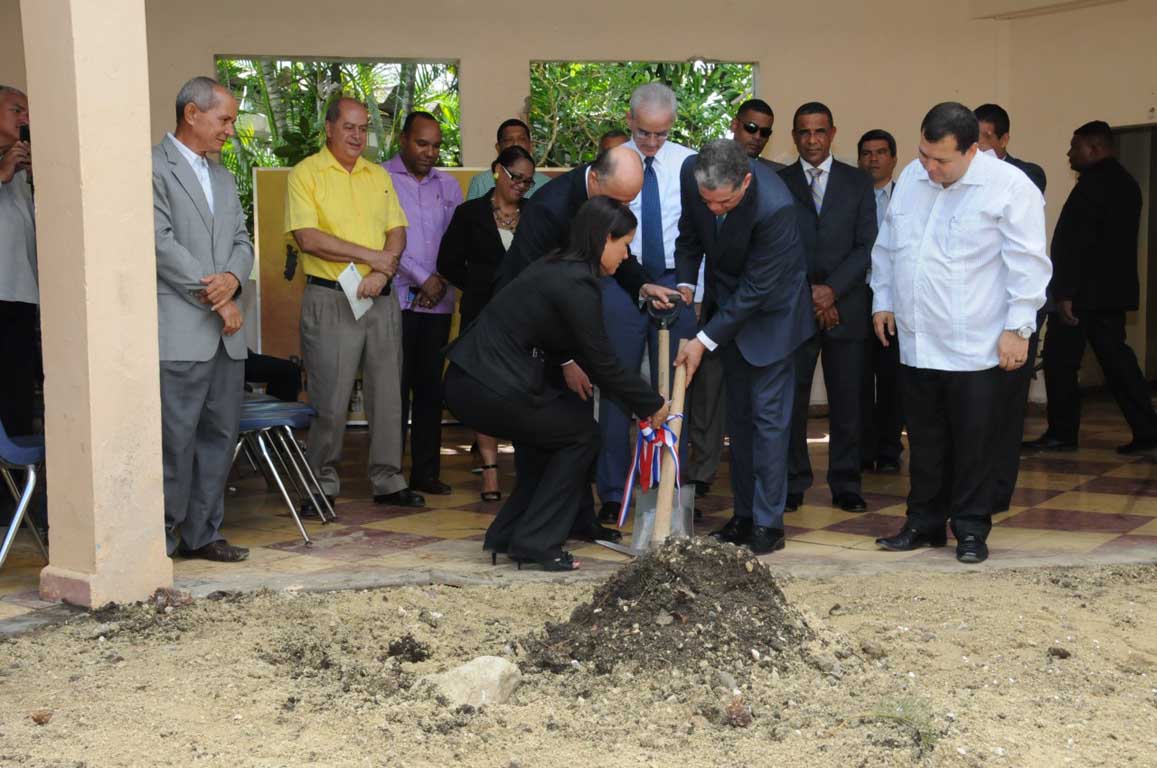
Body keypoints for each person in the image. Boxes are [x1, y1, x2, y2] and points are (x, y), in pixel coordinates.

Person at [443, 197, 667, 571]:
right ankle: (535, 541)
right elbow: (602, 361)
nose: (626, 256)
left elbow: (561, 337)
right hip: (489, 385)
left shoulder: (562, 266)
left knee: (550, 440)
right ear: (603, 239)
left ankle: (509, 532)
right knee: (581, 435)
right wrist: (651, 404)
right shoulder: (577, 282)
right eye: (624, 245)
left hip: (473, 380)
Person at [872, 102, 1049, 564]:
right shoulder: (912, 176)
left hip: (977, 345)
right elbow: (888, 245)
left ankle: (971, 528)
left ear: (974, 149)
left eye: (942, 160)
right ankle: (924, 522)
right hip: (917, 340)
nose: (930, 167)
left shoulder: (1010, 188)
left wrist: (1019, 328)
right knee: (925, 441)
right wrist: (883, 300)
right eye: (924, 154)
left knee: (974, 443)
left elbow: (1028, 264)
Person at [492, 144, 673, 543]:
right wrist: (567, 359)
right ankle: (533, 529)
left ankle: (577, 519)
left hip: (562, 335)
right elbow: (529, 292)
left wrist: (640, 284)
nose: (623, 209)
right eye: (618, 200)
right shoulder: (548, 209)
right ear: (595, 179)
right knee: (545, 438)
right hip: (530, 345)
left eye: (630, 202)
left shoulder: (601, 206)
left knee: (578, 432)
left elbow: (618, 254)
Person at [674, 139, 814, 555]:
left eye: (725, 203)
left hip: (772, 318)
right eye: (708, 201)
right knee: (739, 422)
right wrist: (686, 280)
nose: (715, 210)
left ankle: (769, 525)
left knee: (768, 425)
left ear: (746, 181)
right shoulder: (692, 174)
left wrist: (703, 338)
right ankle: (744, 515)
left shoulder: (776, 207)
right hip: (725, 312)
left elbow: (756, 290)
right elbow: (690, 231)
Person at [285, 96, 424, 510]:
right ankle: (320, 484)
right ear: (328, 128)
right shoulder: (306, 174)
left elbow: (397, 230)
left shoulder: (377, 175)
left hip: (379, 299)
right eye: (349, 127)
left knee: (388, 396)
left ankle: (388, 479)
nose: (357, 135)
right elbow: (309, 238)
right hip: (331, 298)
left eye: (363, 128)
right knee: (330, 398)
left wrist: (382, 273)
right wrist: (372, 258)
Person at [152, 76, 254, 562]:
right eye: (225, 119)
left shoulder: (225, 177)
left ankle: (204, 533)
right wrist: (217, 296)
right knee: (176, 439)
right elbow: (160, 244)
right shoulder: (152, 166)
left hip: (225, 336)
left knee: (218, 437)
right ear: (192, 114)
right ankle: (165, 537)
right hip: (182, 331)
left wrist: (233, 280)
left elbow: (242, 239)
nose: (230, 130)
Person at [594, 83, 697, 523]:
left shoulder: (688, 163)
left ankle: (668, 495)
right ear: (630, 120)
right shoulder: (615, 164)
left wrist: (692, 283)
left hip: (675, 282)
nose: (653, 143)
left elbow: (698, 230)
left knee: (675, 391)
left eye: (661, 134)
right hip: (620, 278)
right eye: (644, 133)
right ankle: (614, 494)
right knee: (618, 387)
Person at [1024, 120, 1157, 455]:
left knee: (1061, 361)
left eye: (1074, 146)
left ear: (1094, 147)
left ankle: (1063, 433)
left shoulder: (1098, 185)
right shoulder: (1121, 182)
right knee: (1116, 362)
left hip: (1084, 296)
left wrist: (1066, 293)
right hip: (1103, 293)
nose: (1069, 154)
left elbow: (1081, 245)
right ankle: (1147, 430)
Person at [779, 103, 877, 513]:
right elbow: (777, 248)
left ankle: (846, 483)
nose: (813, 140)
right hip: (796, 309)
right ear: (795, 136)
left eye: (820, 131)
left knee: (848, 401)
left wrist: (831, 291)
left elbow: (866, 244)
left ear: (833, 133)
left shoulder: (858, 182)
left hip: (847, 307)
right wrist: (811, 294)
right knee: (792, 401)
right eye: (804, 132)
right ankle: (793, 482)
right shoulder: (779, 182)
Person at [437, 144, 536, 501]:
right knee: (483, 389)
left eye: (527, 181)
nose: (521, 186)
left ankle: (527, 468)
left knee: (524, 391)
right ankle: (490, 473)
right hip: (481, 315)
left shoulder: (536, 214)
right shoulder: (469, 214)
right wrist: (478, 285)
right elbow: (447, 262)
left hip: (526, 320)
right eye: (515, 177)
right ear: (497, 170)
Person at [384, 111, 463, 496]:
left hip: (439, 303)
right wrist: (421, 278)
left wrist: (439, 280)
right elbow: (381, 240)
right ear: (403, 139)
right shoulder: (380, 179)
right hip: (396, 299)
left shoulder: (448, 186)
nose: (430, 152)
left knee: (430, 388)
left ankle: (426, 473)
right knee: (394, 388)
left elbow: (457, 241)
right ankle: (391, 474)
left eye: (436, 145)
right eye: (422, 143)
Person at [974, 104, 1048, 510]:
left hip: (1014, 315)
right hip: (975, 315)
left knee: (1005, 410)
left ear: (1003, 140)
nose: (979, 148)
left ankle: (998, 490)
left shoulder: (1025, 176)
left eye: (986, 138)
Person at [857, 128, 903, 474]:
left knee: (892, 381)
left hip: (895, 303)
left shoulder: (909, 198)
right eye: (867, 153)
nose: (873, 159)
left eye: (880, 152)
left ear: (893, 158)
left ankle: (889, 448)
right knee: (856, 379)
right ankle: (862, 448)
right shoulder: (848, 196)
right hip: (856, 297)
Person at [0, 85, 37, 439]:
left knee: (18, 396)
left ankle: (19, 490)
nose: (25, 118)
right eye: (16, 110)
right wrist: (2, 172)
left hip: (23, 297)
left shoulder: (24, 166)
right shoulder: (7, 167)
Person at [465, 119, 551, 200]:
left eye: (522, 139)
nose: (516, 144)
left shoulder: (546, 184)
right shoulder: (481, 182)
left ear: (530, 146)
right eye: (509, 140)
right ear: (498, 147)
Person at [975, 103, 1047, 194]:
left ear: (1004, 140)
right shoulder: (964, 172)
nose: (977, 144)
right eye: (973, 136)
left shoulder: (1029, 173)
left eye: (987, 137)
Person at [731, 98, 784, 170]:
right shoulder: (711, 164)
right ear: (734, 125)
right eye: (751, 128)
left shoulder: (781, 174)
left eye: (765, 132)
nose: (757, 137)